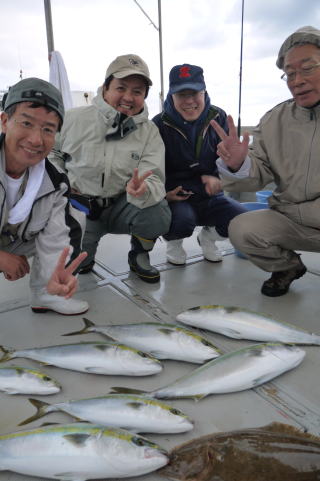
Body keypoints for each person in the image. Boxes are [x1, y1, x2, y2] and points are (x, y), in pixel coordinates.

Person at [212, 26, 320, 297]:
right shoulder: (274, 120)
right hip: (293, 219)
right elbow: (258, 172)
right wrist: (239, 164)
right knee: (242, 228)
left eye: (307, 68)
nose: (297, 80)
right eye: (290, 73)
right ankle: (287, 267)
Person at [50, 54, 171, 283]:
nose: (128, 97)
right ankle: (86, 254)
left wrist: (143, 189)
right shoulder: (72, 118)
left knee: (157, 211)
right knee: (77, 267)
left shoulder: (150, 132)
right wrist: (63, 184)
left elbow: (154, 177)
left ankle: (139, 254)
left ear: (144, 96)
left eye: (137, 91)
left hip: (124, 205)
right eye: (121, 88)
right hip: (81, 207)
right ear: (105, 87)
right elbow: (52, 153)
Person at [0, 77, 89, 314]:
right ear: (4, 121)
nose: (36, 140)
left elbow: (58, 238)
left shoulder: (55, 183)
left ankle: (45, 293)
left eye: (48, 129)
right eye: (27, 123)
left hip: (14, 240)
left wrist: (56, 277)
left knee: (75, 213)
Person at [152, 64, 247, 265]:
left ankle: (208, 237)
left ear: (204, 92)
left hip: (211, 193)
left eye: (194, 93)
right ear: (171, 96)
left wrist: (224, 173)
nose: (189, 101)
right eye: (181, 94)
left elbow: (228, 162)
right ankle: (174, 243)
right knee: (182, 222)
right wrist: (163, 194)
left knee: (243, 221)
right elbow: (151, 169)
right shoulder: (158, 124)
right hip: (177, 196)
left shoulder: (219, 117)